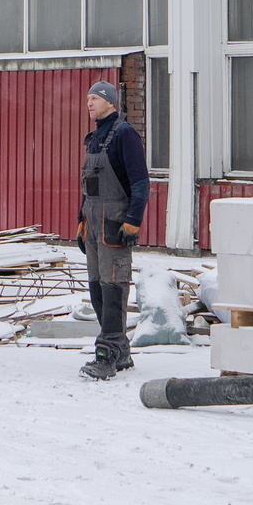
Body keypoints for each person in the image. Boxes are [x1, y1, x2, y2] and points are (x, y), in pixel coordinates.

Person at [77, 80, 149, 381]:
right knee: (97, 286)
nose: (90, 103)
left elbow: (140, 182)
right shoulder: (95, 137)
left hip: (114, 220)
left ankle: (106, 354)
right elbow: (87, 187)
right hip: (93, 220)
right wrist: (80, 218)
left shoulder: (124, 135)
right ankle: (120, 351)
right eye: (88, 98)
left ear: (111, 102)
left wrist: (134, 219)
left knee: (114, 285)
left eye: (95, 98)